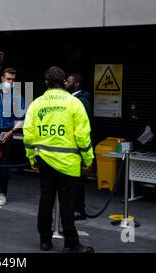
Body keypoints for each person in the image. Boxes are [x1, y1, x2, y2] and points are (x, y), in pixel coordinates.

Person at [23, 66, 95, 252]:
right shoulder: (74, 103)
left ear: (46, 82)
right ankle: (71, 243)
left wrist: (31, 157)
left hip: (44, 160)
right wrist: (88, 159)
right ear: (64, 82)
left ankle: (45, 240)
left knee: (45, 200)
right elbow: (82, 135)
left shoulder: (36, 104)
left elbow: (28, 135)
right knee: (67, 204)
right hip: (68, 162)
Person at [0, 68, 25, 206]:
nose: (11, 81)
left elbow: (21, 119)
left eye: (13, 79)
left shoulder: (17, 97)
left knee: (4, 164)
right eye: (8, 79)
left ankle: (2, 194)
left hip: (7, 134)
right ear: (2, 79)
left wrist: (11, 132)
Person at [65, 73, 92, 221]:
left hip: (78, 146)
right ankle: (75, 207)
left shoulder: (81, 101)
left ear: (76, 84)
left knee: (78, 180)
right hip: (73, 147)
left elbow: (83, 127)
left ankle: (79, 209)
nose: (65, 83)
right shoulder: (73, 100)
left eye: (68, 81)